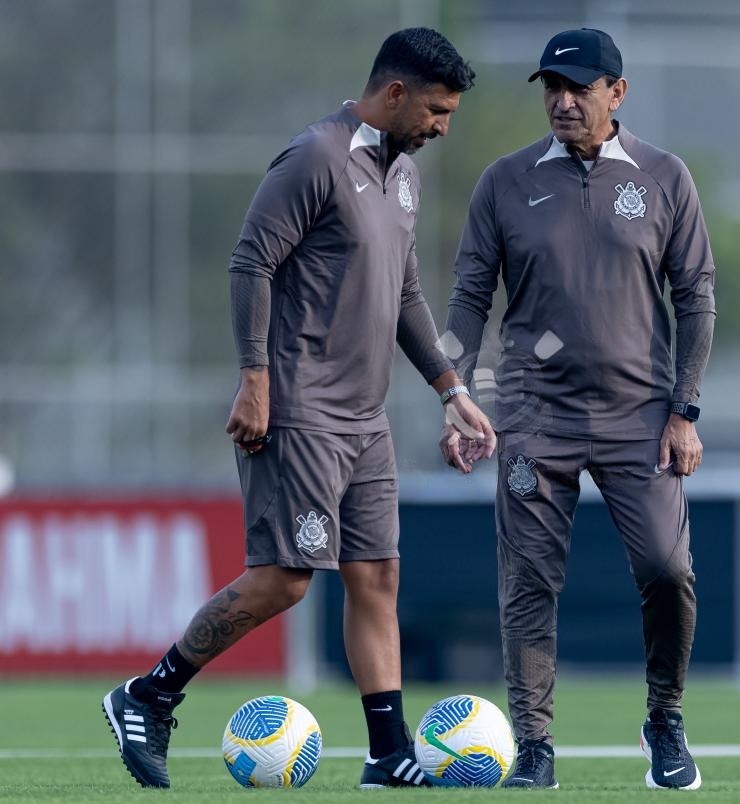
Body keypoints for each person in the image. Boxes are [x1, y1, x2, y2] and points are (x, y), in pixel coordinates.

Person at [102, 27, 495, 790]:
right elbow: (252, 260)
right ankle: (147, 694)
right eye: (438, 110)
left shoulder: (404, 179)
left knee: (376, 576)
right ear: (395, 94)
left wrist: (451, 389)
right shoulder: (316, 157)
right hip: (301, 409)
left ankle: (387, 753)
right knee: (284, 579)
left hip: (366, 418)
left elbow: (406, 295)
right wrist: (255, 377)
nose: (444, 126)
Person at [445, 28, 716, 790]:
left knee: (668, 570)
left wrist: (685, 408)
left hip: (641, 416)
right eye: (551, 89)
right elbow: (469, 296)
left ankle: (664, 718)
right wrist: (457, 394)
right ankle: (534, 745)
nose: (562, 102)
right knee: (528, 581)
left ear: (617, 94)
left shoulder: (665, 177)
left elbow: (696, 297)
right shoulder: (505, 181)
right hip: (533, 414)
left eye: (579, 89)